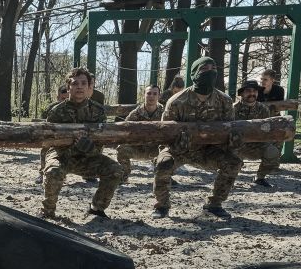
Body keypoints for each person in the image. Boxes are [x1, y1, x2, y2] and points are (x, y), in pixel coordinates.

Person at [152, 56, 243, 219]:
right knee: (163, 163)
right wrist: (174, 146)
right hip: (178, 149)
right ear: (194, 74)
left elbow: (229, 130)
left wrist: (232, 143)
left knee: (233, 162)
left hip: (209, 151)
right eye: (204, 69)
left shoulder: (224, 101)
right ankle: (162, 205)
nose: (209, 73)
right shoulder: (177, 101)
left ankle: (214, 204)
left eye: (213, 69)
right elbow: (165, 135)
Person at [41, 67, 124, 220]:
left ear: (88, 87)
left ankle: (97, 208)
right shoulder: (56, 111)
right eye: (75, 83)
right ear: (68, 87)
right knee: (53, 172)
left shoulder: (97, 111)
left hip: (88, 156)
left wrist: (90, 148)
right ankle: (48, 211)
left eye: (83, 83)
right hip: (62, 155)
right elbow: (49, 141)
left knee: (115, 170)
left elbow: (101, 140)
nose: (79, 86)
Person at [233, 80, 280, 188]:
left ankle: (260, 178)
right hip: (236, 145)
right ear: (242, 93)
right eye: (248, 91)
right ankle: (230, 178)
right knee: (229, 157)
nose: (252, 94)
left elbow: (267, 129)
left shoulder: (263, 109)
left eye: (254, 91)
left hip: (256, 144)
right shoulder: (233, 109)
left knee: (272, 151)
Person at [116, 84, 165, 182]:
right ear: (144, 95)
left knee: (169, 151)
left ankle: (165, 177)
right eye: (149, 93)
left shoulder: (164, 112)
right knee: (121, 149)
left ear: (159, 96)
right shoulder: (136, 113)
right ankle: (124, 175)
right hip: (138, 148)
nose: (151, 96)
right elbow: (125, 129)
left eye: (155, 94)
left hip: (156, 149)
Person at [37, 85, 71, 183]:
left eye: (67, 98)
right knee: (45, 149)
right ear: (57, 97)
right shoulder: (51, 108)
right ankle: (42, 172)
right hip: (53, 135)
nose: (65, 101)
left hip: (68, 137)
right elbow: (44, 125)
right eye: (62, 98)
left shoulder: (73, 108)